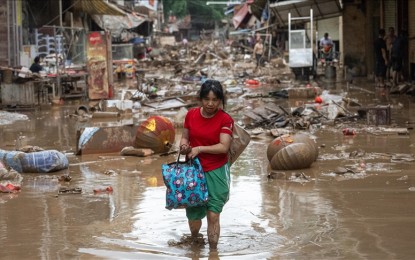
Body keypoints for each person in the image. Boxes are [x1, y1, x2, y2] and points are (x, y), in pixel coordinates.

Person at [179, 79, 234, 251]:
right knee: (194, 214)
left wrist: (199, 149)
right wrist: (184, 147)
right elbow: (185, 137)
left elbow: (224, 147)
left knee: (213, 214)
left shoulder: (225, 119)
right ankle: (195, 241)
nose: (211, 104)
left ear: (220, 100)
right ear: (200, 99)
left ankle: (213, 252)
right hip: (193, 171)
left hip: (216, 171)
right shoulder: (191, 115)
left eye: (215, 100)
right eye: (207, 99)